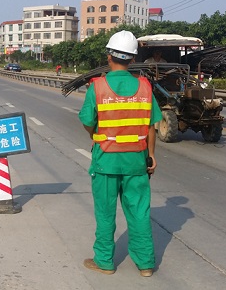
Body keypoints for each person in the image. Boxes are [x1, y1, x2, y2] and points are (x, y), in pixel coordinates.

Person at [78, 30, 162, 277]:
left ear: (109, 56)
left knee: (105, 214)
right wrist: (152, 155)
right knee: (139, 212)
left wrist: (96, 134)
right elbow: (151, 126)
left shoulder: (98, 87)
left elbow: (86, 120)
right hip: (137, 160)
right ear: (133, 59)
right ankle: (145, 264)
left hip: (106, 161)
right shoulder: (145, 87)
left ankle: (104, 261)